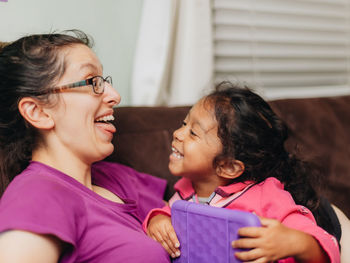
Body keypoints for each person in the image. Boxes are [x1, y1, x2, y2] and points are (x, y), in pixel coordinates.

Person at [0, 31, 171, 263]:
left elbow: (192, 219)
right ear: (37, 112)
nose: (114, 96)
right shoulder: (38, 194)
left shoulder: (116, 177)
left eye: (105, 81)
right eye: (93, 82)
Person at [144, 83, 340, 263]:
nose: (178, 133)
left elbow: (327, 248)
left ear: (228, 167)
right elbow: (166, 214)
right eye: (184, 124)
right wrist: (157, 220)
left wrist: (295, 242)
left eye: (193, 133)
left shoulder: (268, 197)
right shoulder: (185, 192)